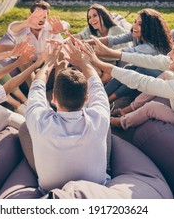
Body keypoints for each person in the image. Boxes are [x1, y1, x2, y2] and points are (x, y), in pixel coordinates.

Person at [85, 34, 174, 132]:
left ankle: (118, 122)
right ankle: (128, 109)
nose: (169, 55)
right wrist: (110, 53)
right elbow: (154, 60)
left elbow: (142, 82)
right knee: (167, 74)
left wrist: (98, 63)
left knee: (152, 107)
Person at [22, 39, 111, 193]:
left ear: (53, 98)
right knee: (106, 127)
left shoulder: (39, 121)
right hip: (97, 188)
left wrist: (48, 63)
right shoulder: (99, 117)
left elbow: (37, 84)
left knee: (25, 128)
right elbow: (96, 82)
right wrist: (83, 61)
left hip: (49, 190)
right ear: (86, 98)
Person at [98, 8, 174, 103]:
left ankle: (108, 99)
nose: (134, 26)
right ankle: (101, 95)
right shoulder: (137, 35)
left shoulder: (151, 47)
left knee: (139, 71)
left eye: (140, 24)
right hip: (143, 71)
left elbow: (125, 52)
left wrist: (96, 53)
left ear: (149, 28)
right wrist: (87, 42)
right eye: (135, 22)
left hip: (161, 76)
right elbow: (114, 39)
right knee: (129, 67)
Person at [7, 0, 70, 86]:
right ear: (30, 15)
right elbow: (11, 28)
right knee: (22, 59)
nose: (41, 20)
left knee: (62, 54)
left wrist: (61, 28)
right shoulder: (22, 29)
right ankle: (35, 92)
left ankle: (58, 93)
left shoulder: (49, 26)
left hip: (49, 62)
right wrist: (27, 23)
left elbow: (66, 24)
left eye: (44, 17)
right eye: (37, 16)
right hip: (31, 64)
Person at [74, 3, 131, 83]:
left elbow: (125, 52)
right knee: (94, 72)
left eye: (95, 15)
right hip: (95, 62)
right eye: (89, 17)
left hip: (111, 64)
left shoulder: (117, 30)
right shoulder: (89, 31)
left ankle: (92, 90)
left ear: (103, 15)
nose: (91, 20)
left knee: (105, 77)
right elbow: (79, 36)